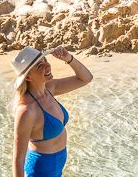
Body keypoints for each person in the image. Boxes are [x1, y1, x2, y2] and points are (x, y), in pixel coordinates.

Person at [8, 46, 92, 177]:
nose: (47, 66)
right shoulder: (27, 110)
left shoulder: (50, 88)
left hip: (57, 166)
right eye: (39, 66)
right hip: (41, 171)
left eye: (45, 61)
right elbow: (18, 160)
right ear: (28, 76)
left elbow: (86, 78)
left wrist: (69, 59)